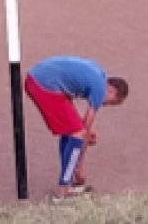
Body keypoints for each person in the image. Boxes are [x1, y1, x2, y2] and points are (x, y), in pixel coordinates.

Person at [25, 56, 129, 201]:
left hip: (37, 78)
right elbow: (83, 133)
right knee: (78, 134)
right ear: (111, 90)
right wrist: (80, 168)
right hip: (44, 85)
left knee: (73, 131)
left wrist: (83, 129)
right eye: (110, 103)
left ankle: (66, 182)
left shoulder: (99, 73)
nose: (104, 105)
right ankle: (62, 191)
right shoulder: (100, 88)